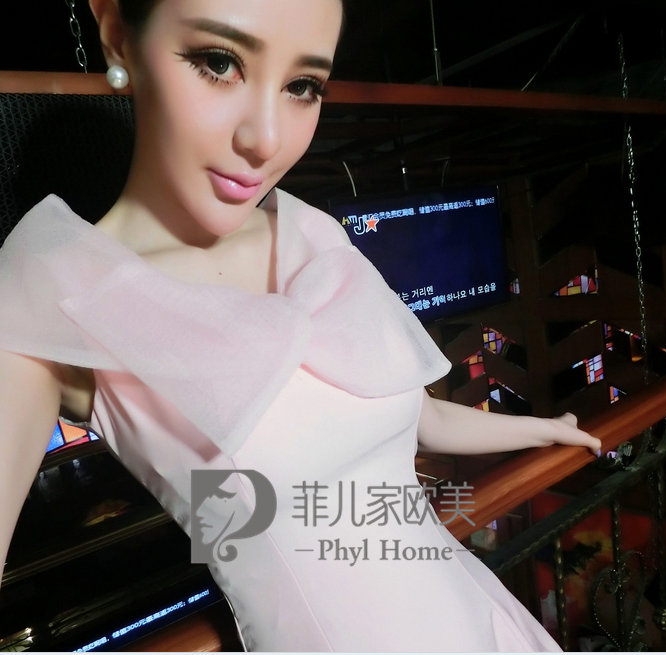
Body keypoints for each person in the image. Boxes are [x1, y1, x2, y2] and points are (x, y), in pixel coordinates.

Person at [0, 0, 601, 651]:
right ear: (118, 35)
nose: (266, 140)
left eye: (302, 86)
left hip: (482, 620)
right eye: (219, 62)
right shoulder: (58, 289)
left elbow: (423, 417)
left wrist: (546, 428)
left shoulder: (313, 233)